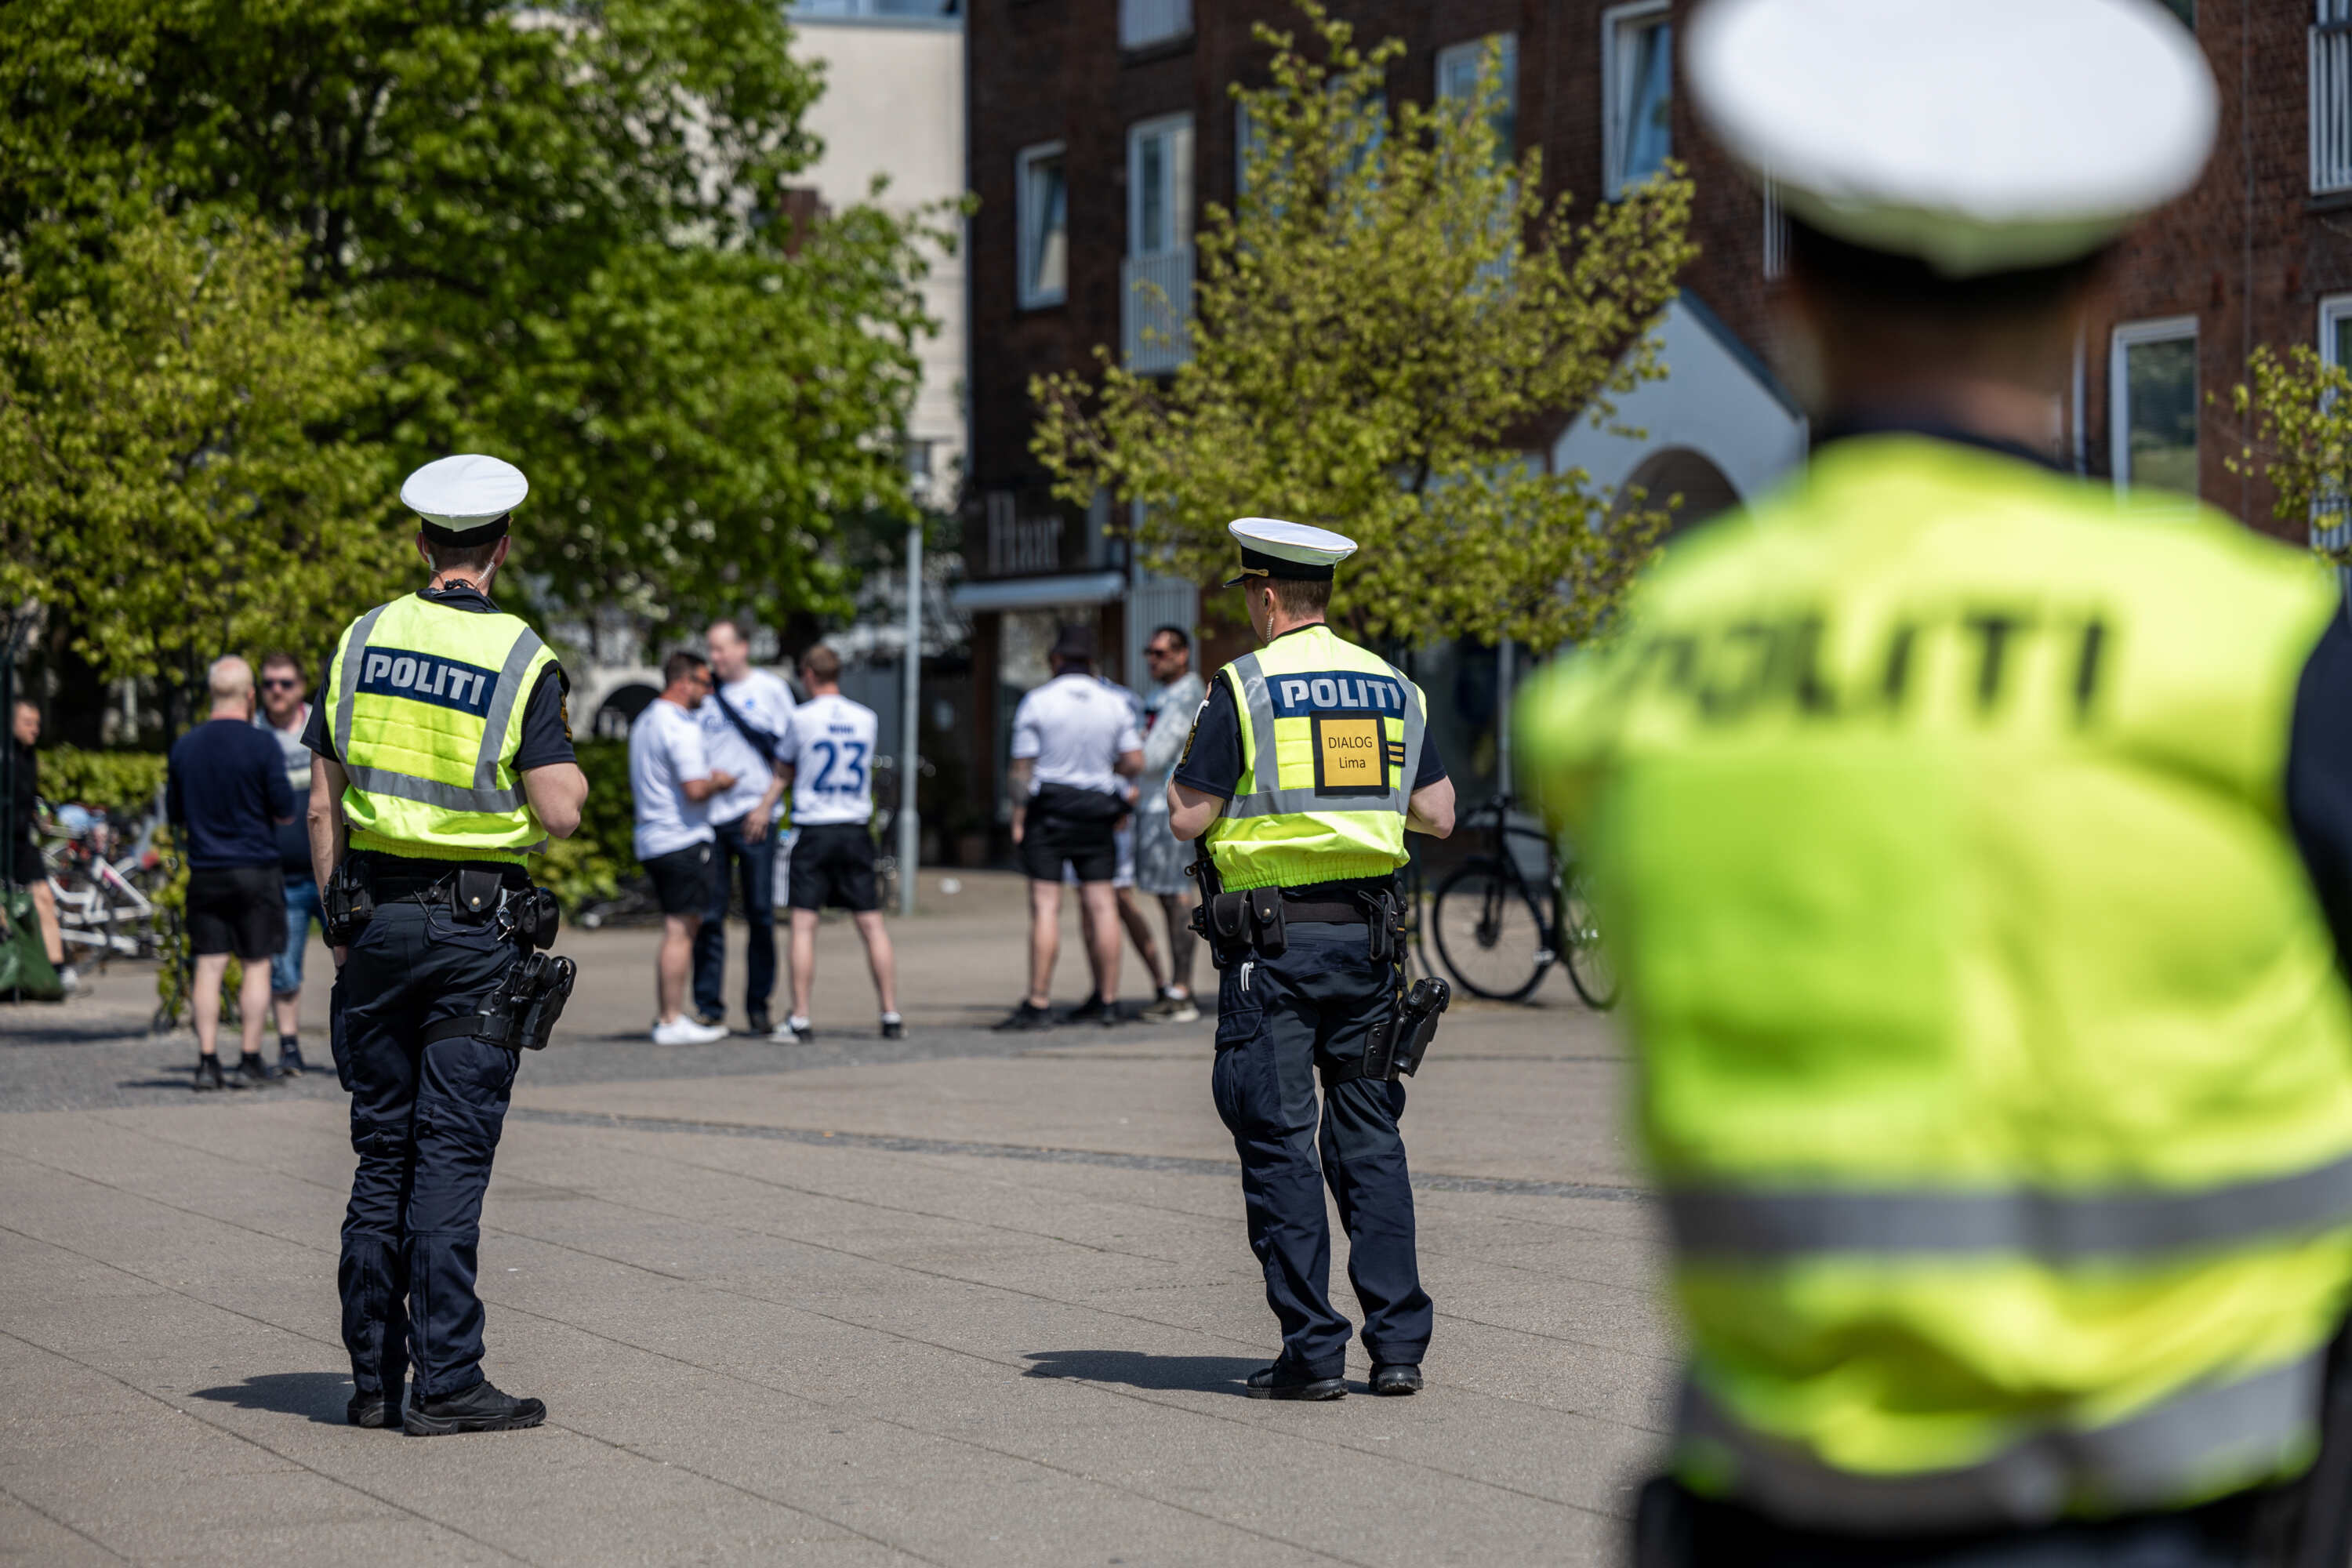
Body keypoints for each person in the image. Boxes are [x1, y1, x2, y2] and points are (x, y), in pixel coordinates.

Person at [1517, 3, 2352, 1562]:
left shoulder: (1630, 691)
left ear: (1791, 295)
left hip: (1769, 1510)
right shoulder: (2257, 648)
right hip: (2181, 1516)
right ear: (2105, 290)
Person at [307, 452, 588, 1436]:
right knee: (451, 1156)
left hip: (375, 924)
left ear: (423, 543)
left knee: (383, 1150)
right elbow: (557, 813)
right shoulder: (519, 654)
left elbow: (322, 801)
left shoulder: (361, 636)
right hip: (474, 935)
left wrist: (342, 928)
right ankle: (450, 1379)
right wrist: (572, 775)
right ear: (501, 546)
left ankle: (375, 1376)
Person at [1168, 518, 1454, 1400]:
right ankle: (1399, 1347)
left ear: (1264, 597)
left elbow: (1189, 813)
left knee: (1280, 1143)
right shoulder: (1393, 685)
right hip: (1371, 948)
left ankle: (1314, 1350)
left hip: (1274, 950)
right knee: (1370, 1140)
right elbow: (1438, 814)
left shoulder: (1243, 687)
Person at [996, 625, 1143, 1031]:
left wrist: (1019, 818)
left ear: (1056, 660)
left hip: (1052, 808)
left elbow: (1022, 770)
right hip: (1097, 810)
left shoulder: (1037, 702)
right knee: (1102, 904)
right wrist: (1108, 771)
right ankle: (1109, 1000)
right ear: (1091, 661)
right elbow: (1134, 761)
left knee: (1046, 905)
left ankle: (1039, 1002)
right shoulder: (1114, 703)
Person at [168, 656, 296, 1091]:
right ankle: (249, 1059)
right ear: (249, 696)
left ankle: (206, 1062)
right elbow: (284, 810)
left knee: (208, 966)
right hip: (256, 868)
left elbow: (175, 814)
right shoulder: (263, 746)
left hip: (206, 870)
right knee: (257, 965)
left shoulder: (185, 747)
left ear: (211, 694)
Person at [773, 644, 899, 1042]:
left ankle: (801, 1018)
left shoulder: (801, 717)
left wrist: (763, 807)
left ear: (808, 673)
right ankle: (891, 1013)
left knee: (804, 925)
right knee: (872, 924)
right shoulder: (866, 718)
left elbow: (784, 768)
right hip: (856, 827)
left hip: (815, 828)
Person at [691, 620, 794, 1034]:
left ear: (743, 648)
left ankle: (758, 1007)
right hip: (712, 820)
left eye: (721, 649)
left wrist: (766, 806)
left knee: (761, 915)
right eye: (710, 650)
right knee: (710, 916)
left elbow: (789, 755)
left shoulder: (771, 690)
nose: (715, 658)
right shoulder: (705, 695)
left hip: (756, 818)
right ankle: (709, 1007)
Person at [630, 650, 733, 1046]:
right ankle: (671, 1019)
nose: (709, 691)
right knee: (681, 930)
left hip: (654, 837)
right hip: (682, 838)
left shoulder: (646, 721)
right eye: (705, 683)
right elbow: (694, 788)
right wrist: (720, 781)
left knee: (678, 927)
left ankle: (671, 1016)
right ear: (683, 682)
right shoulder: (681, 726)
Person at [1134, 626, 1206, 1023]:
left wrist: (1122, 757)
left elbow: (1150, 755)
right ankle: (1177, 990)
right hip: (1151, 808)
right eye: (1149, 651)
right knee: (1165, 896)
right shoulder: (1159, 696)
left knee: (1177, 895)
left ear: (1182, 655)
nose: (1152, 659)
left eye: (1160, 653)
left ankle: (1182, 991)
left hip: (1169, 810)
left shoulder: (1185, 698)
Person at [255, 651, 318, 1076]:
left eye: (285, 683)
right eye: (269, 684)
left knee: (354, 963)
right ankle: (289, 1047)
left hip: (330, 870)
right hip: (283, 875)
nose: (276, 691)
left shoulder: (319, 723)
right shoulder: (253, 734)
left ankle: (357, 1049)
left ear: (300, 688)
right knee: (283, 968)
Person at [6, 699, 71, 993]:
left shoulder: (30, 756)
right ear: (11, 723)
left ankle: (57, 969)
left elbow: (30, 795)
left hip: (20, 838)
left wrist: (39, 813)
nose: (35, 729)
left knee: (44, 896)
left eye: (37, 723)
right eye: (28, 723)